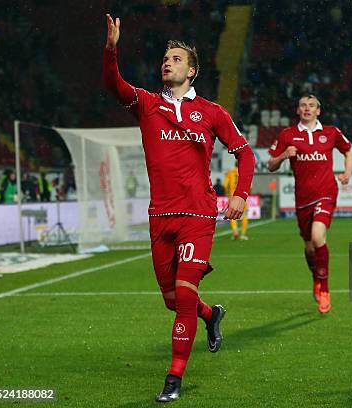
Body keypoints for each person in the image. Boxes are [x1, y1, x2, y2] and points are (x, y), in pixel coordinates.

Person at [103, 14, 255, 403]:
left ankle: (174, 377)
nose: (167, 62)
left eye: (176, 58)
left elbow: (245, 154)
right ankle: (211, 315)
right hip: (160, 216)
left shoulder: (212, 112)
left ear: (192, 70)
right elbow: (114, 86)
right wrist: (111, 49)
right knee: (172, 300)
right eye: (165, 58)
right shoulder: (148, 105)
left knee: (184, 296)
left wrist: (240, 195)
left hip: (199, 215)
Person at [268, 94, 352, 314]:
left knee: (318, 237)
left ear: (318, 111)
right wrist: (284, 156)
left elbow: (348, 151)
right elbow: (270, 165)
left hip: (326, 193)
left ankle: (324, 290)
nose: (307, 109)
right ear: (298, 110)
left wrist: (347, 172)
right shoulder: (288, 135)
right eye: (303, 106)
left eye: (311, 106)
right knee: (308, 246)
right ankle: (316, 277)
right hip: (302, 199)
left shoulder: (331, 132)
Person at [223, 164, 249, 240]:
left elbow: (225, 185)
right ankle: (243, 235)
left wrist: (228, 195)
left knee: (232, 214)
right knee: (244, 215)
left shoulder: (230, 172)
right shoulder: (245, 172)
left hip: (232, 196)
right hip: (242, 197)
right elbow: (250, 187)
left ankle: (235, 231)